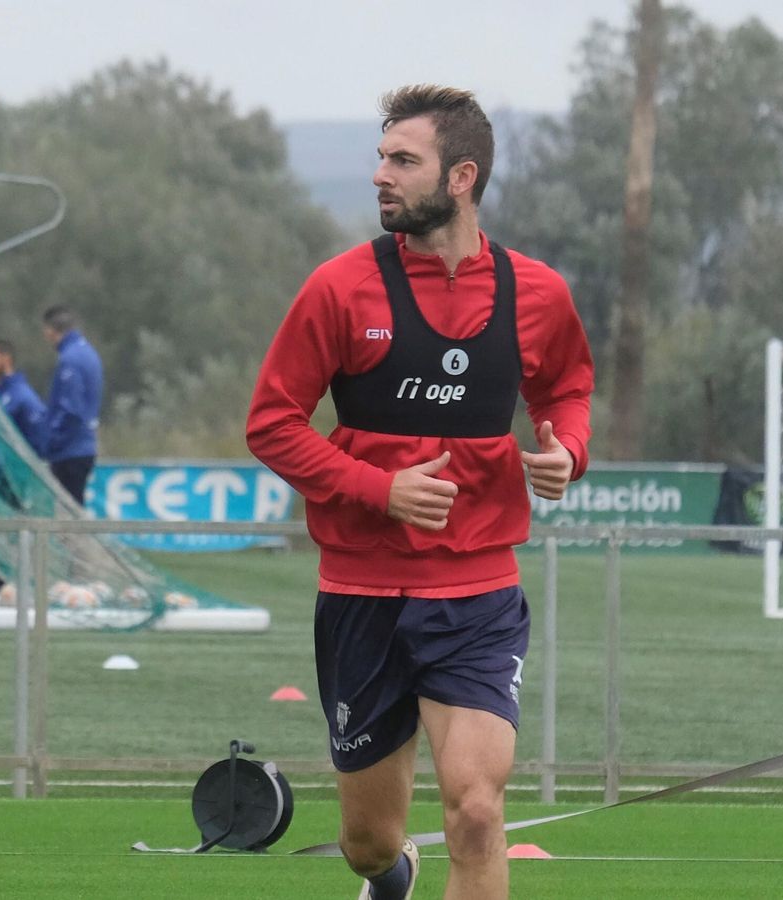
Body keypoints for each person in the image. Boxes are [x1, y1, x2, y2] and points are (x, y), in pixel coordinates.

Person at [245, 84, 593, 900]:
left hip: (477, 591)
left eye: (403, 160)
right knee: (367, 841)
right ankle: (389, 875)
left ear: (462, 176)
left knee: (476, 811)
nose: (381, 176)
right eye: (380, 158)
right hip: (362, 592)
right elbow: (271, 423)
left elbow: (567, 390)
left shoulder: (536, 292)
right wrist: (378, 488)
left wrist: (566, 451)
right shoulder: (338, 288)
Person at [39, 306, 102, 505]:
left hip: (70, 450)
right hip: (84, 445)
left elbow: (71, 410)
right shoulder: (88, 352)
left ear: (50, 330)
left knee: (68, 517)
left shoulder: (70, 359)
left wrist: (51, 440)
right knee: (75, 511)